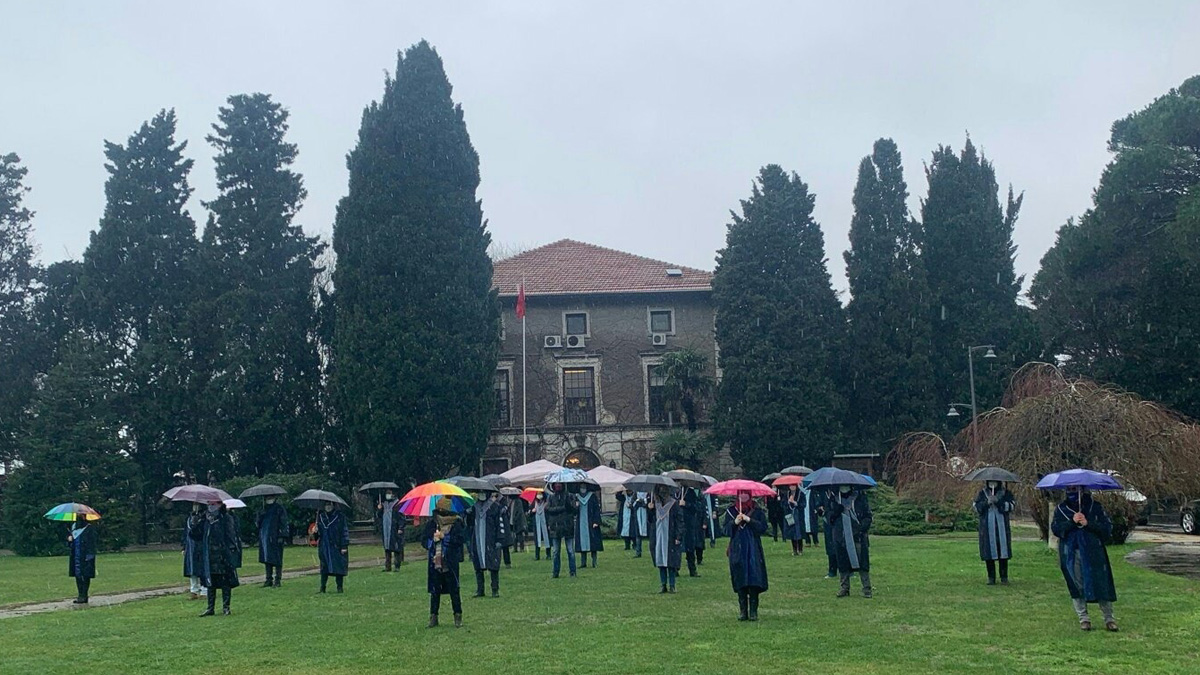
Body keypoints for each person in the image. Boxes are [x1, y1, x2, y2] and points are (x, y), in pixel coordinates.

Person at [1051, 487, 1119, 632]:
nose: (1072, 492)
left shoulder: (1095, 507)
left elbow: (1106, 529)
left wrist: (1088, 524)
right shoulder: (1062, 509)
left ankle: (1109, 618)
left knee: (1101, 582)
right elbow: (1056, 529)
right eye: (1070, 488)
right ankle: (1084, 618)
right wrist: (1072, 522)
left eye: (1076, 488)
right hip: (1071, 552)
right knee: (1076, 584)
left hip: (1094, 551)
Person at [723, 492, 768, 621]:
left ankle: (753, 611)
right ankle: (743, 611)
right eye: (741, 493)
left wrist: (749, 520)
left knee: (754, 578)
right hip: (738, 548)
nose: (743, 496)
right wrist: (734, 522)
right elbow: (725, 530)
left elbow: (763, 528)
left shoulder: (757, 510)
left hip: (753, 548)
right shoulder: (731, 511)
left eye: (745, 493)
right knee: (740, 577)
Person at [423, 496, 466, 628]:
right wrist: (432, 540)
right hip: (435, 562)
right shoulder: (432, 524)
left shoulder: (456, 523)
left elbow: (459, 540)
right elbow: (424, 541)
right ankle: (433, 617)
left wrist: (445, 538)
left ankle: (457, 616)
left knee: (454, 590)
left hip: (450, 562)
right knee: (435, 591)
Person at [192, 502, 242, 616]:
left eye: (214, 503)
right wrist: (195, 522)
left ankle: (226, 607)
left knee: (225, 582)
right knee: (210, 582)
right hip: (208, 555)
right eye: (209, 503)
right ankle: (210, 608)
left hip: (222, 554)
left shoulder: (225, 518)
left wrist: (231, 552)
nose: (211, 505)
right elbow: (196, 536)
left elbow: (230, 536)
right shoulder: (204, 518)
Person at [828, 485, 872, 598]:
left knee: (862, 561)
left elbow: (868, 516)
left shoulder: (860, 497)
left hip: (858, 536)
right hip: (840, 536)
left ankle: (866, 588)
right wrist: (835, 513)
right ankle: (844, 588)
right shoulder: (834, 498)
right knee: (842, 562)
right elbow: (829, 519)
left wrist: (861, 528)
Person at [974, 480, 1015, 585]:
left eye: (994, 482)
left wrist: (999, 502)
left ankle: (1004, 577)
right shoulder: (982, 493)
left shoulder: (1006, 493)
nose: (992, 484)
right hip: (987, 528)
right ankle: (991, 577)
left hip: (1002, 528)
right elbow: (976, 507)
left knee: (1003, 553)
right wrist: (986, 503)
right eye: (990, 482)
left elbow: (1012, 506)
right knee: (989, 553)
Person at [467, 490, 506, 596]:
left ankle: (495, 589)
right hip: (477, 538)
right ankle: (480, 589)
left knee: (493, 564)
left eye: (484, 492)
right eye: (480, 492)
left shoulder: (494, 507)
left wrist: (499, 539)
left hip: (491, 539)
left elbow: (500, 523)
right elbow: (469, 524)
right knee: (478, 565)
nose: (482, 494)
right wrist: (468, 514)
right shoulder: (474, 507)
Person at [647, 485, 684, 593]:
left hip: (670, 536)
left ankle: (672, 585)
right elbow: (650, 521)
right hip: (658, 536)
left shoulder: (673, 504)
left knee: (671, 562)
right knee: (660, 561)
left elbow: (679, 521)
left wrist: (678, 536)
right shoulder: (655, 505)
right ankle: (663, 584)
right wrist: (650, 510)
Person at [545, 482, 578, 578]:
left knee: (570, 550)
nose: (558, 486)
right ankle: (555, 572)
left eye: (560, 484)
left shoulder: (570, 496)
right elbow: (548, 509)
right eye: (556, 484)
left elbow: (574, 510)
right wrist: (561, 508)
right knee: (556, 551)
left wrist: (568, 504)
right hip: (555, 527)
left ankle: (572, 572)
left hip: (567, 526)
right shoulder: (551, 497)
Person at [316, 501, 349, 593]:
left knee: (338, 566)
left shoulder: (340, 517)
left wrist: (344, 545)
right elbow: (318, 536)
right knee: (324, 567)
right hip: (324, 546)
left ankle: (339, 587)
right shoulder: (321, 517)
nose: (328, 506)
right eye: (326, 504)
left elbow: (344, 531)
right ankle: (322, 588)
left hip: (336, 545)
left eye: (329, 504)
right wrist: (315, 532)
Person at [257, 497, 289, 586]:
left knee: (277, 559)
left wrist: (282, 535)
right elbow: (258, 524)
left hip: (276, 537)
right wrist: (260, 516)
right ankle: (268, 579)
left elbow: (284, 522)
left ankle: (277, 579)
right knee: (267, 559)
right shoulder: (263, 509)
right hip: (265, 537)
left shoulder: (279, 508)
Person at [67, 517, 97, 604]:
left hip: (85, 555)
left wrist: (90, 555)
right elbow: (71, 544)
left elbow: (92, 542)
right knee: (78, 575)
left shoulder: (89, 528)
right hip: (76, 555)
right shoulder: (73, 527)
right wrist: (70, 539)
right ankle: (80, 595)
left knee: (86, 575)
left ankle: (84, 595)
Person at [575, 484, 604, 568]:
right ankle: (583, 562)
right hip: (581, 523)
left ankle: (594, 562)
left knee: (593, 543)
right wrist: (575, 506)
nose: (582, 489)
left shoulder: (592, 496)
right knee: (582, 543)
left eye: (584, 487)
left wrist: (596, 521)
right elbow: (573, 511)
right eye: (581, 487)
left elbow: (596, 509)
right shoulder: (577, 497)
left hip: (591, 523)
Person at [182, 503, 206, 599]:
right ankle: (194, 590)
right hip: (191, 547)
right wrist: (184, 546)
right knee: (192, 569)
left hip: (202, 547)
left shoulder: (205, 518)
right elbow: (185, 533)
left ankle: (204, 590)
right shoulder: (189, 518)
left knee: (203, 569)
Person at [377, 491, 405, 571]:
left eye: (390, 493)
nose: (388, 495)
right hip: (386, 529)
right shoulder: (383, 504)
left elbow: (402, 517)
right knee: (387, 548)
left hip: (394, 529)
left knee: (396, 548)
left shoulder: (398, 505)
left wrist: (400, 528)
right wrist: (379, 509)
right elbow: (379, 516)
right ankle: (387, 566)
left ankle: (397, 566)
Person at [681, 487, 705, 576]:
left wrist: (686, 504)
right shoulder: (675, 493)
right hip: (677, 523)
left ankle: (692, 570)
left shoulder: (690, 493)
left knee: (690, 547)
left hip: (689, 524)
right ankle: (674, 569)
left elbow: (696, 507)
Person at [816, 488, 838, 578]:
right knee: (830, 545)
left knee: (841, 545)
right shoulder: (822, 492)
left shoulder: (837, 491)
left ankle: (846, 569)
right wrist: (820, 509)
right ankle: (832, 570)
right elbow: (818, 507)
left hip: (838, 521)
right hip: (828, 522)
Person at [619, 489, 647, 556]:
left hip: (643, 515)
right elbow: (632, 503)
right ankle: (637, 551)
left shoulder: (647, 493)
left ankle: (636, 547)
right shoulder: (634, 494)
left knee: (636, 533)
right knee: (637, 533)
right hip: (635, 514)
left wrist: (643, 502)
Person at [782, 484, 806, 556]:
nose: (792, 487)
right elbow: (782, 504)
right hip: (790, 515)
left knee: (799, 532)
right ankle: (794, 549)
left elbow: (804, 504)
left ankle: (800, 549)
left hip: (798, 516)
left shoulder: (801, 494)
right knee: (792, 532)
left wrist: (795, 503)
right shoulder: (786, 494)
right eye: (791, 486)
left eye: (794, 486)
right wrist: (788, 502)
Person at [532, 491, 551, 560]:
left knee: (547, 538)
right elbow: (529, 513)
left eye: (540, 494)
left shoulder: (546, 503)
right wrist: (532, 511)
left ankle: (548, 555)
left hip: (545, 523)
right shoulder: (534, 503)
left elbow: (549, 513)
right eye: (538, 494)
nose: (539, 496)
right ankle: (537, 556)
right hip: (537, 524)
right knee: (537, 539)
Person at [801, 483, 820, 548]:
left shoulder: (813, 492)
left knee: (813, 526)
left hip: (811, 512)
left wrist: (816, 509)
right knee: (805, 526)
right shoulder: (800, 493)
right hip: (804, 511)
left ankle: (816, 541)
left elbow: (816, 501)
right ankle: (807, 541)